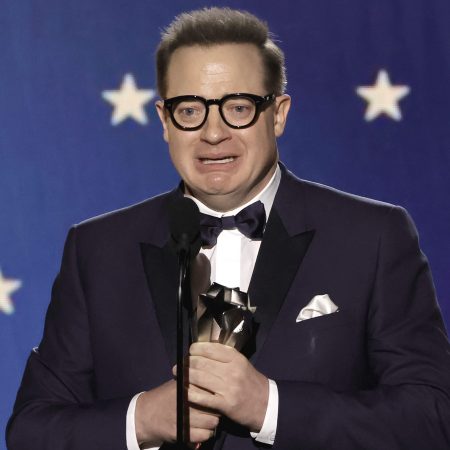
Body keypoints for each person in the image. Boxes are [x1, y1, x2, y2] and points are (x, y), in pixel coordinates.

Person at [6, 7, 450, 450]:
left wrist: (270, 407)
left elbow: (432, 419)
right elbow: (30, 431)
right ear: (164, 120)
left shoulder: (372, 237)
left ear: (278, 113)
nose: (213, 133)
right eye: (189, 110)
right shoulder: (97, 250)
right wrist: (140, 419)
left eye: (238, 107)